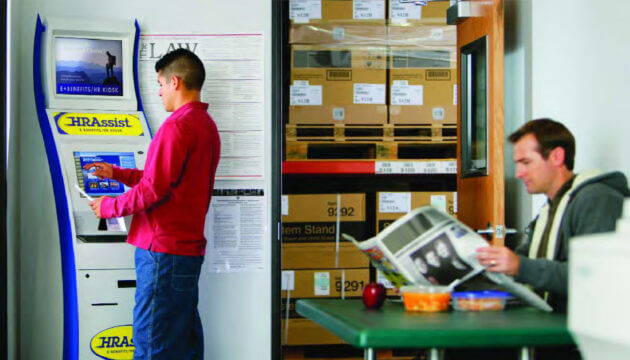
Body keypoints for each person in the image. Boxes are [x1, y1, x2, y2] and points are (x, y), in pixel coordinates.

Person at [84, 48, 220, 360]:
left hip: (162, 253)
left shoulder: (176, 126)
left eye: (160, 84)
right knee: (184, 342)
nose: (158, 93)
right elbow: (167, 179)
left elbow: (153, 189)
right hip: (185, 252)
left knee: (151, 345)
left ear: (175, 82)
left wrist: (109, 207)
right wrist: (117, 173)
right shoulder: (206, 125)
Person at [476, 118, 629, 314]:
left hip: (578, 334)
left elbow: (593, 275)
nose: (518, 173)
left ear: (557, 156)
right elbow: (522, 258)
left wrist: (520, 266)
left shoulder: (597, 200)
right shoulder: (548, 211)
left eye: (526, 162)